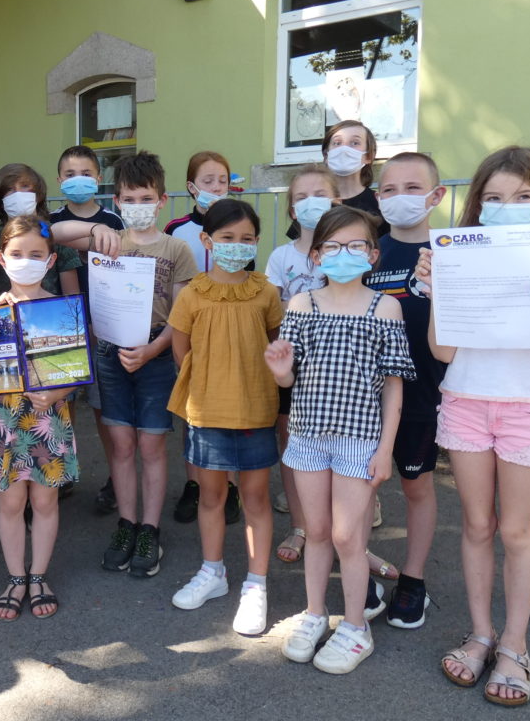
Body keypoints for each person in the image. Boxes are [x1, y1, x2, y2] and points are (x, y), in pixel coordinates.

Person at [421, 146, 530, 706]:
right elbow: (443, 351)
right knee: (476, 526)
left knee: (517, 532)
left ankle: (515, 646)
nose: (506, 205)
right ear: (477, 204)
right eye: (493, 197)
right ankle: (480, 634)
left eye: (522, 196)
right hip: (466, 401)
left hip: (527, 409)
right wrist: (441, 292)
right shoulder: (455, 259)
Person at [266, 205, 415, 675]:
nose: (343, 253)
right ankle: (314, 613)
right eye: (332, 246)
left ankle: (355, 626)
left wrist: (386, 449)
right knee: (316, 531)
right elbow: (290, 379)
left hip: (360, 440)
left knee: (349, 536)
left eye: (354, 245)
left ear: (372, 253)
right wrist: (281, 370)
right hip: (308, 435)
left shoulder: (385, 307)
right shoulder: (301, 304)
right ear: (316, 255)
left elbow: (394, 385)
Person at [53, 151, 199, 578]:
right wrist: (96, 227)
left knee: (151, 446)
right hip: (111, 354)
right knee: (120, 445)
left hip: (155, 354)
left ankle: (150, 529)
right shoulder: (109, 240)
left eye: (146, 198)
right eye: (129, 199)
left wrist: (154, 350)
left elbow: (181, 317)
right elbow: (53, 231)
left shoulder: (177, 249)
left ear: (162, 201)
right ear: (116, 201)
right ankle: (126, 524)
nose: (138, 206)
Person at [167, 199, 282, 635]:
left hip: (255, 409)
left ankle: (256, 584)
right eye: (227, 237)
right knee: (211, 496)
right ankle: (212, 571)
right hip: (207, 410)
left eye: (246, 238)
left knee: (255, 499)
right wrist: (211, 383)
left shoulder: (266, 292)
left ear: (256, 242)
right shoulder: (192, 293)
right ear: (207, 240)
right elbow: (181, 352)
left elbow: (275, 344)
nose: (237, 245)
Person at [0, 215, 80, 620]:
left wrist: (56, 393)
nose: (26, 261)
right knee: (11, 500)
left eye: (36, 254)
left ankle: (39, 576)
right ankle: (16, 577)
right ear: (1, 258)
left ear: (50, 261)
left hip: (49, 416)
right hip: (5, 417)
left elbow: (75, 369)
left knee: (46, 500)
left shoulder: (61, 309)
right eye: (17, 253)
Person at [366, 152, 449, 629]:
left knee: (417, 486)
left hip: (423, 396)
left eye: (413, 188)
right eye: (390, 189)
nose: (401, 198)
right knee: (360, 488)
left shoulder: (450, 253)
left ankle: (413, 580)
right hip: (364, 398)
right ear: (378, 198)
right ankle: (358, 571)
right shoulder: (367, 252)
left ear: (437, 195)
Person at [264, 163, 337, 566]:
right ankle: (300, 525)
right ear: (292, 209)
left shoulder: (347, 252)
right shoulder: (280, 257)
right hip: (293, 369)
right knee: (292, 445)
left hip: (339, 370)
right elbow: (273, 313)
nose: (311, 203)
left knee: (343, 447)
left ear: (335, 200)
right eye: (301, 197)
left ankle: (342, 529)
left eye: (320, 195)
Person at [166, 151, 244, 528]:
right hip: (191, 333)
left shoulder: (240, 224)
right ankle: (195, 484)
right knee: (192, 411)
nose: (216, 186)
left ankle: (230, 486)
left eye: (222, 181)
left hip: (230, 333)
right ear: (191, 186)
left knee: (231, 410)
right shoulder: (176, 229)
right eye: (208, 180)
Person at [50, 145, 123, 516]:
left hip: (105, 328)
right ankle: (62, 472)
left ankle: (116, 479)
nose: (78, 180)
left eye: (85, 173)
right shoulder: (51, 220)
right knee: (63, 406)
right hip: (61, 327)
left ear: (99, 178)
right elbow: (53, 236)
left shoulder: (114, 220)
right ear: (59, 180)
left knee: (103, 410)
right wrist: (93, 238)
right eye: (70, 174)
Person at [0, 163, 80, 297]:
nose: (18, 194)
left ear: (38, 195)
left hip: (52, 308)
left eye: (25, 186)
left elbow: (73, 297)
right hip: (5, 308)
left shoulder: (55, 236)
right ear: (0, 199)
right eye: (9, 189)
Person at [290, 121, 389, 240]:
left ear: (368, 156)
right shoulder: (312, 202)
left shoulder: (379, 204)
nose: (344, 149)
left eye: (354, 143)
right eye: (337, 143)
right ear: (326, 155)